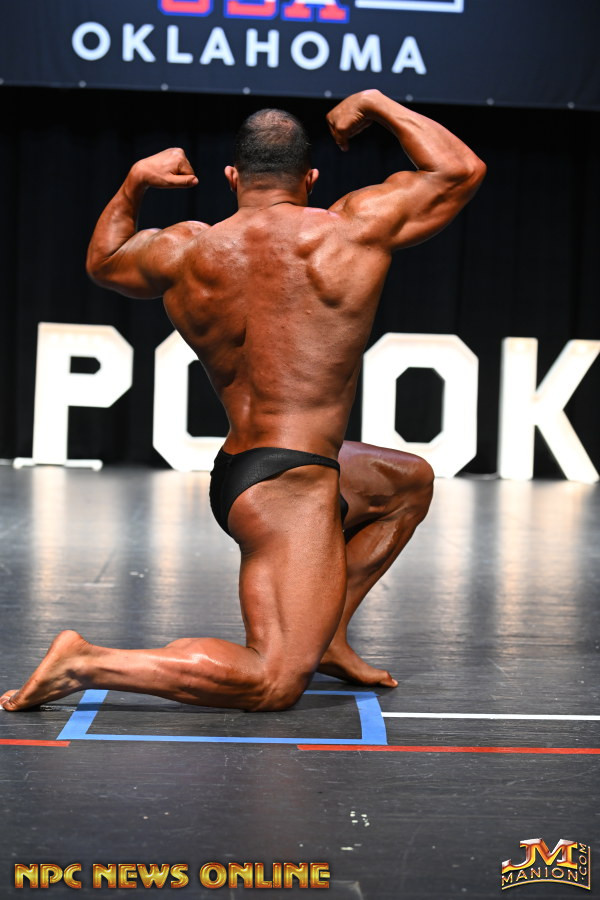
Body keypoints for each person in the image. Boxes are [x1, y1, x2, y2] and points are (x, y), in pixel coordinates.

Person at [0, 89, 485, 714]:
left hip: (245, 469)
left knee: (406, 483)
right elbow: (459, 169)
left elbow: (105, 261)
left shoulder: (186, 250)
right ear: (310, 178)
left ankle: (328, 634)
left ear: (232, 177)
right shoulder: (352, 229)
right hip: (292, 491)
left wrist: (134, 181)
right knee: (274, 679)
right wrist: (375, 103)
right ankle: (87, 662)